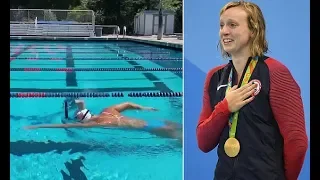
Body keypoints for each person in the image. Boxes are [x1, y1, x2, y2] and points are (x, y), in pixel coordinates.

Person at [196, 1, 308, 180]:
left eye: (233, 25)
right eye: (222, 25)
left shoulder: (275, 72)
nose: (224, 31)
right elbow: (203, 142)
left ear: (253, 30)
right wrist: (225, 107)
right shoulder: (214, 77)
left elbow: (297, 141)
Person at [24, 100, 182, 141]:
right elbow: (127, 104)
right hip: (157, 120)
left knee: (183, 141)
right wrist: (145, 108)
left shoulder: (97, 123)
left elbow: (62, 125)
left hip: (149, 128)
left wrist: (38, 125)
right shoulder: (107, 110)